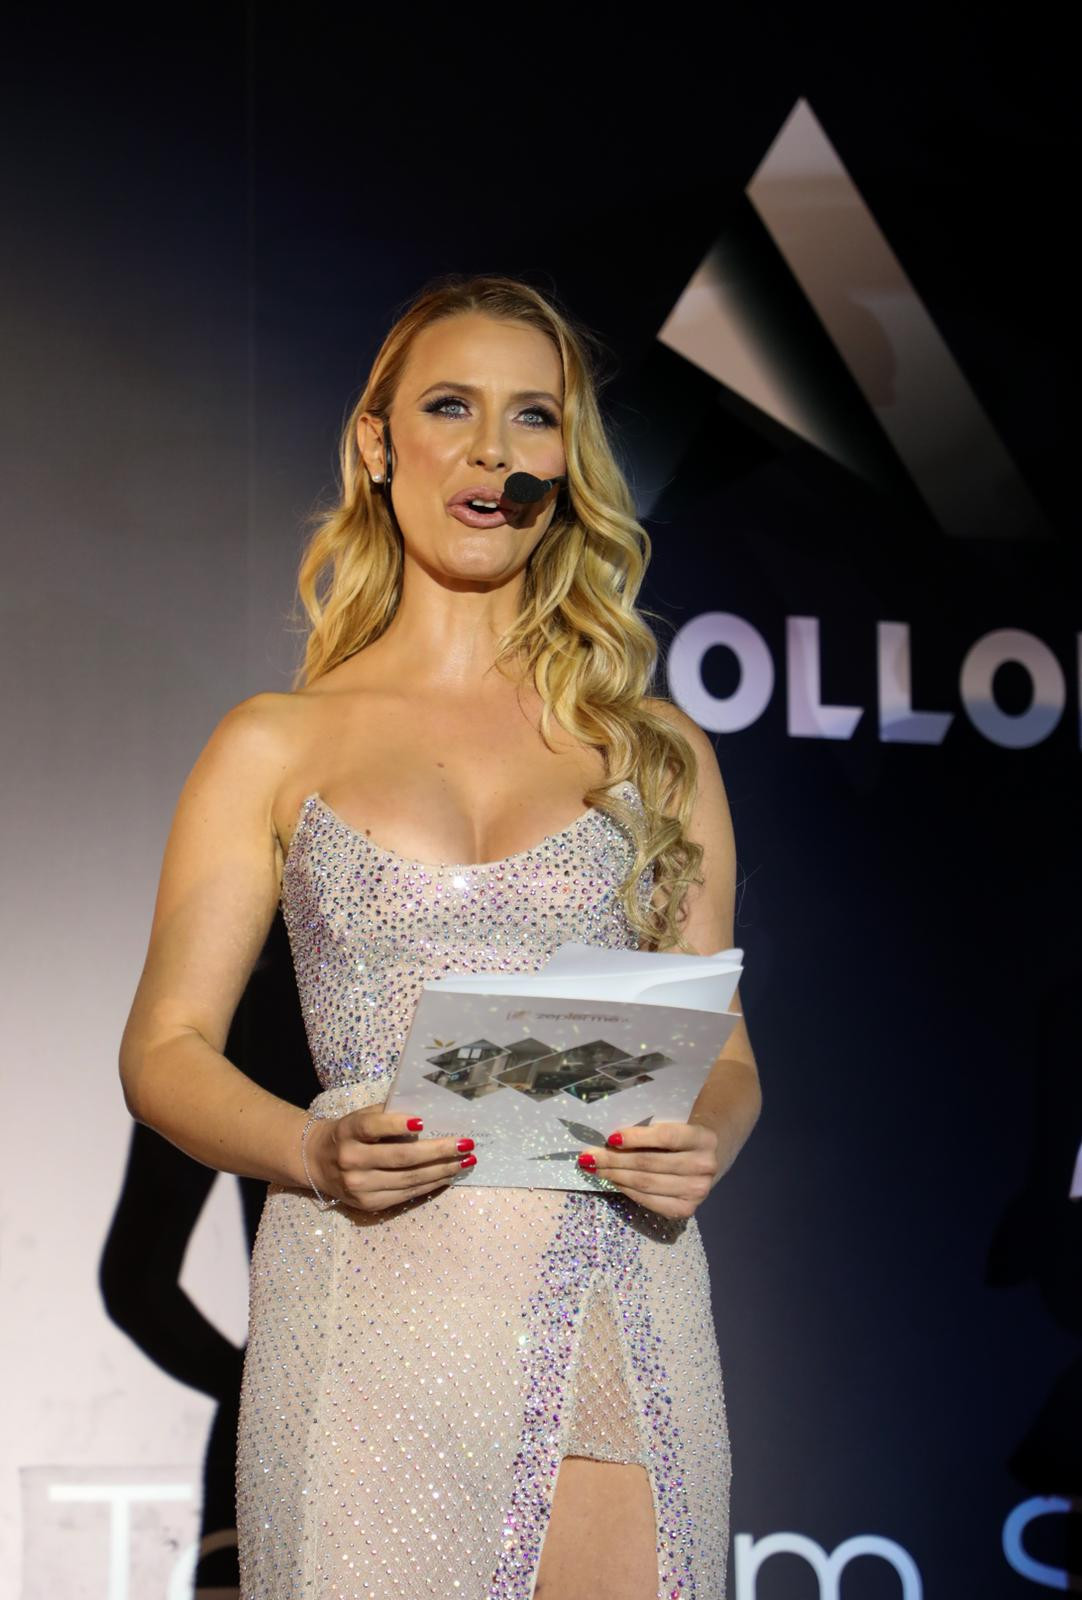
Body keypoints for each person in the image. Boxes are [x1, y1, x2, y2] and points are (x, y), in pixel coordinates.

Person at [119, 272, 762, 1600]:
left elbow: (728, 1053)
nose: (490, 449)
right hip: (365, 1292)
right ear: (378, 443)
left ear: (563, 464)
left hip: (611, 1293)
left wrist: (702, 1142)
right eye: (450, 407)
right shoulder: (273, 743)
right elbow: (165, 1050)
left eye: (533, 416)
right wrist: (309, 1148)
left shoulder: (655, 751)